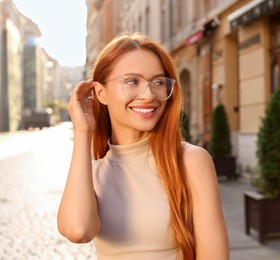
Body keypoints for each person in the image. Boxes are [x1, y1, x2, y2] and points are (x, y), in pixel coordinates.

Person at [57, 32, 229, 260]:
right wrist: (83, 133)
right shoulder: (92, 173)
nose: (149, 95)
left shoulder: (191, 160)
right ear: (101, 93)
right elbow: (78, 231)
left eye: (158, 82)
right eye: (132, 81)